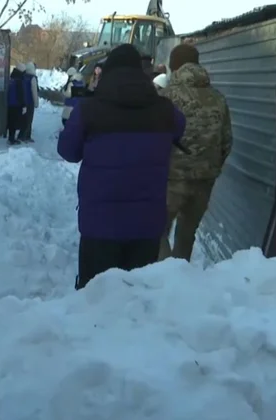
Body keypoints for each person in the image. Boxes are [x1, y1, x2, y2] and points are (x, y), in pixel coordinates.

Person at [57, 44, 187, 290]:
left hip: (99, 226)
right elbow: (180, 128)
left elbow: (67, 151)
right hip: (147, 226)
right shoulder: (166, 112)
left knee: (94, 296)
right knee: (137, 300)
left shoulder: (88, 111)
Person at [158, 43, 232, 261]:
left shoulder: (166, 96)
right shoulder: (218, 99)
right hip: (204, 180)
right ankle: (181, 281)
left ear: (175, 66)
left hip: (171, 179)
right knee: (186, 236)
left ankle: (163, 279)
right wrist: (211, 167)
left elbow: (156, 138)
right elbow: (227, 141)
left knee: (157, 233)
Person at [6, 64, 28, 145]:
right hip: (17, 104)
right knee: (18, 122)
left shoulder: (12, 78)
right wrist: (23, 105)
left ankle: (11, 138)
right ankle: (14, 139)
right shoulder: (19, 80)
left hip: (10, 104)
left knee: (11, 122)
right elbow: (20, 94)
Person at [20, 62, 40, 141]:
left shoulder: (23, 76)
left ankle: (23, 135)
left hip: (23, 101)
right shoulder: (33, 78)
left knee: (24, 119)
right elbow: (34, 91)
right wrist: (36, 103)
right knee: (29, 120)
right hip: (30, 102)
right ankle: (27, 137)